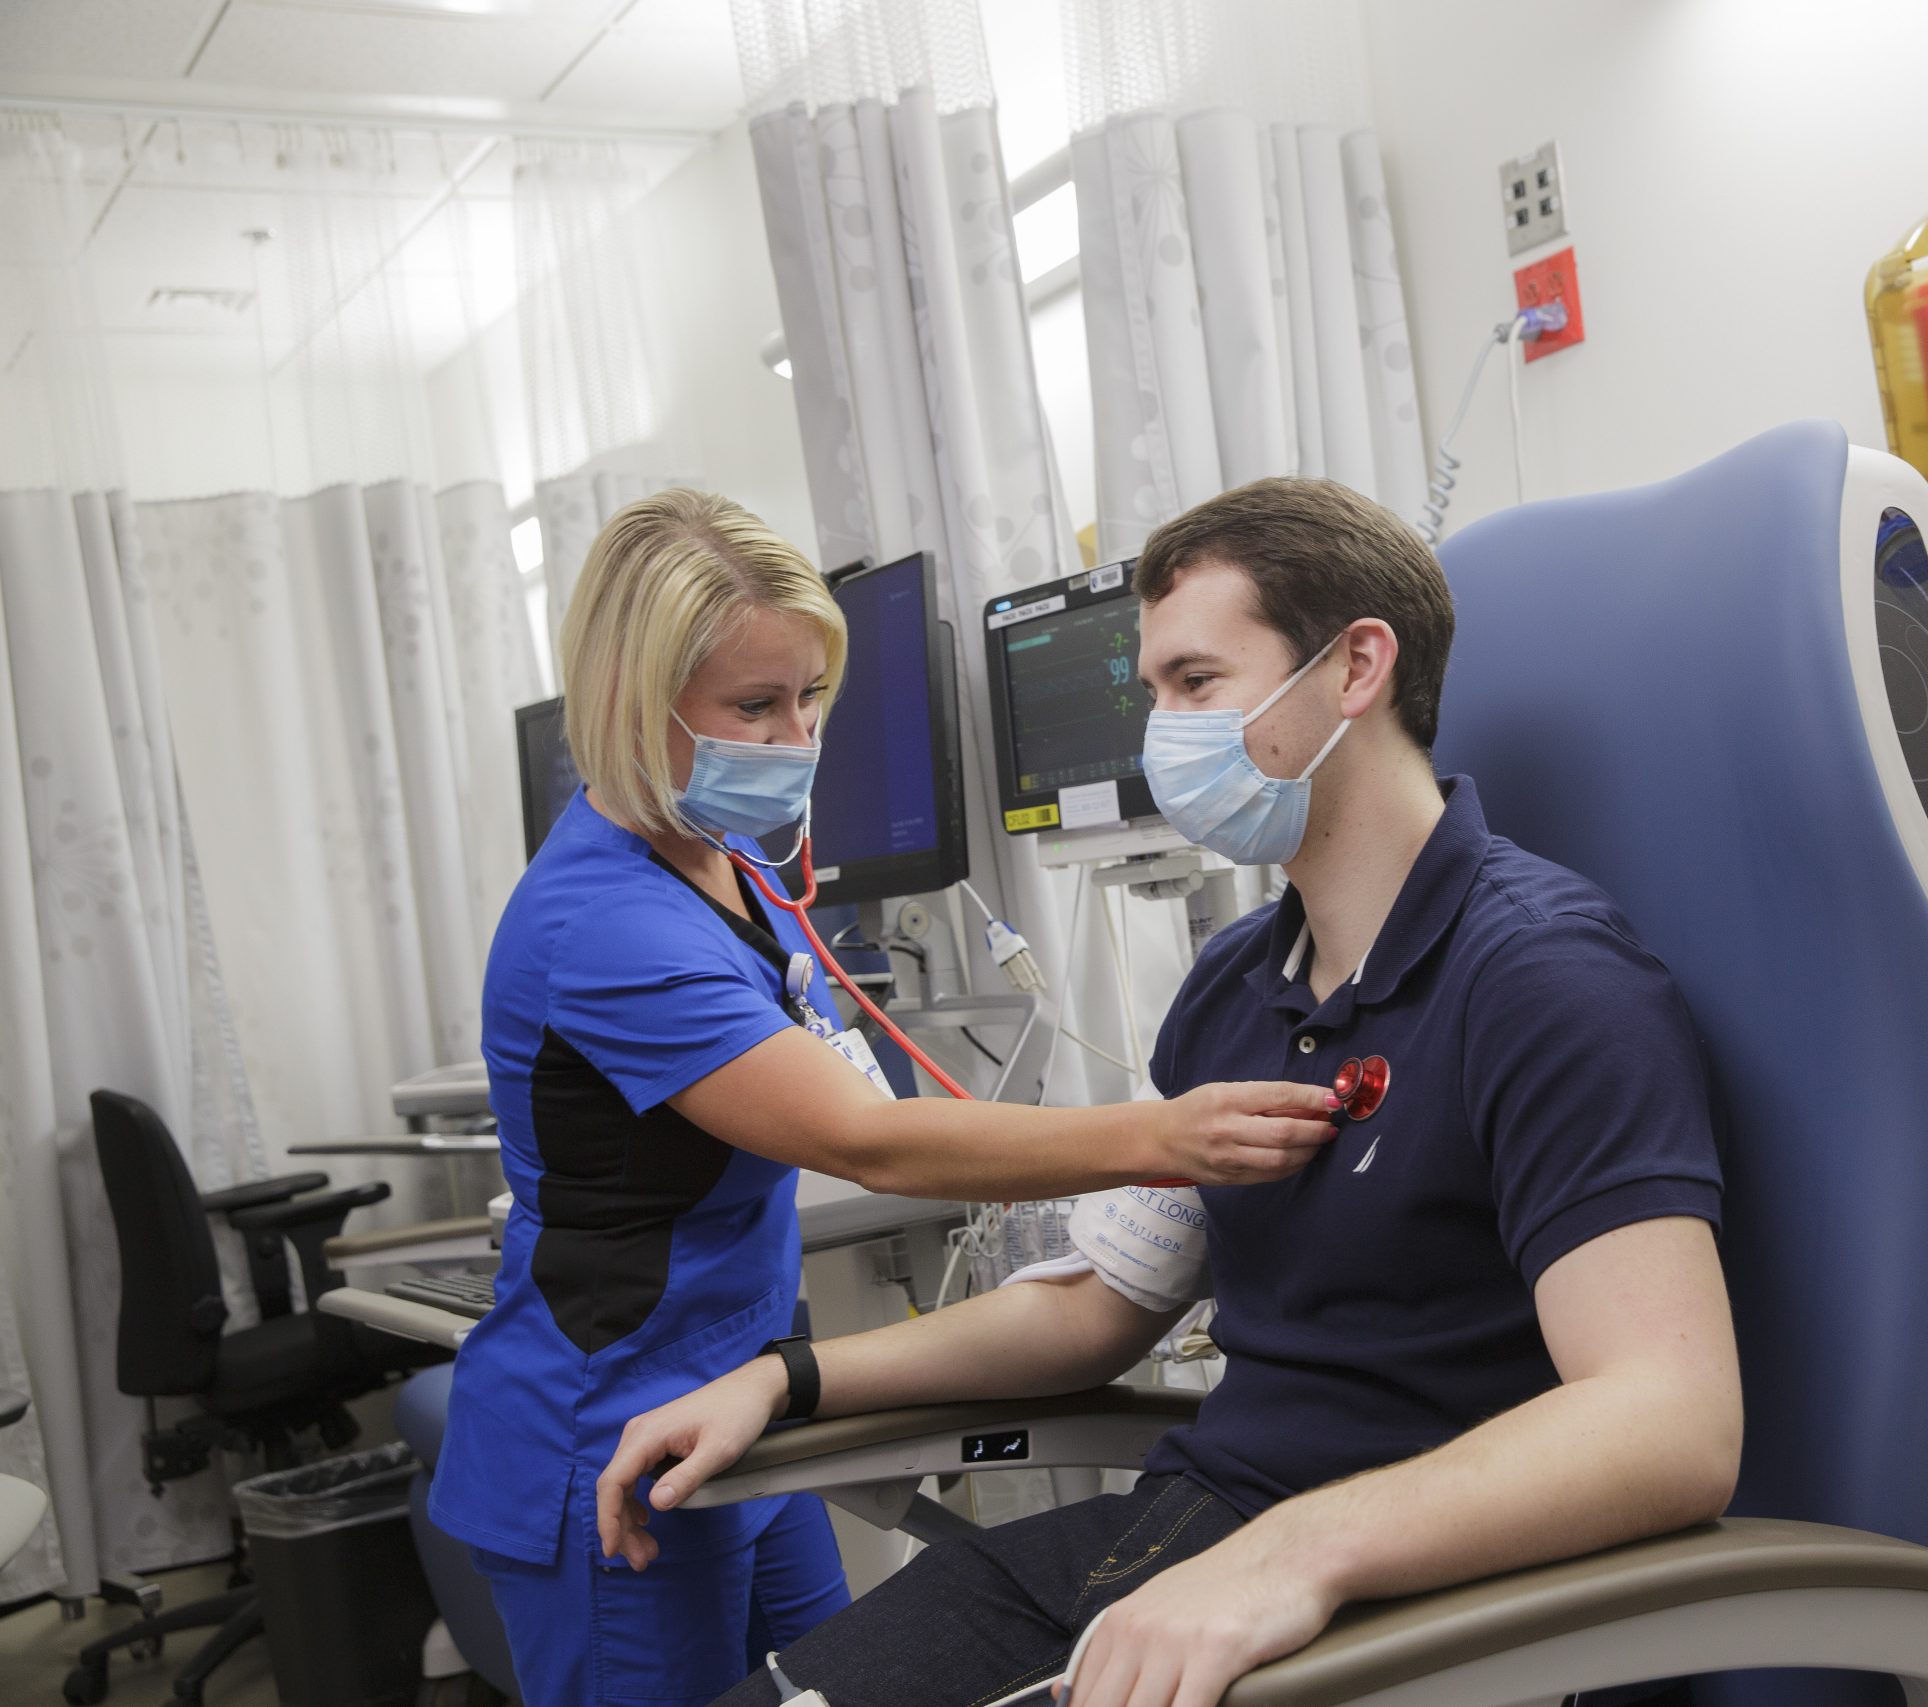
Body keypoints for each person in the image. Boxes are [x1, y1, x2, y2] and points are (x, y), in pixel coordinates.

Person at [597, 478, 1743, 1707]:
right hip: (1185, 1544)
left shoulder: (1541, 978)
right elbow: (1095, 1307)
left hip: (1421, 1613)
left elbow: (1668, 1422)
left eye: (1195, 684)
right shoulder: (1237, 986)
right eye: (1152, 693)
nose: (1163, 735)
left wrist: (1295, 1555)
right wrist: (790, 1376)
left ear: (1355, 668)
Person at [430, 490, 1339, 1707]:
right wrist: (1164, 1136)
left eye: (811, 697)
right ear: (628, 709)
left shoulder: (720, 857)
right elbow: (866, 1139)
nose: (796, 738)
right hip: (605, 1433)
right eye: (755, 706)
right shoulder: (604, 922)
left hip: (739, 1389)